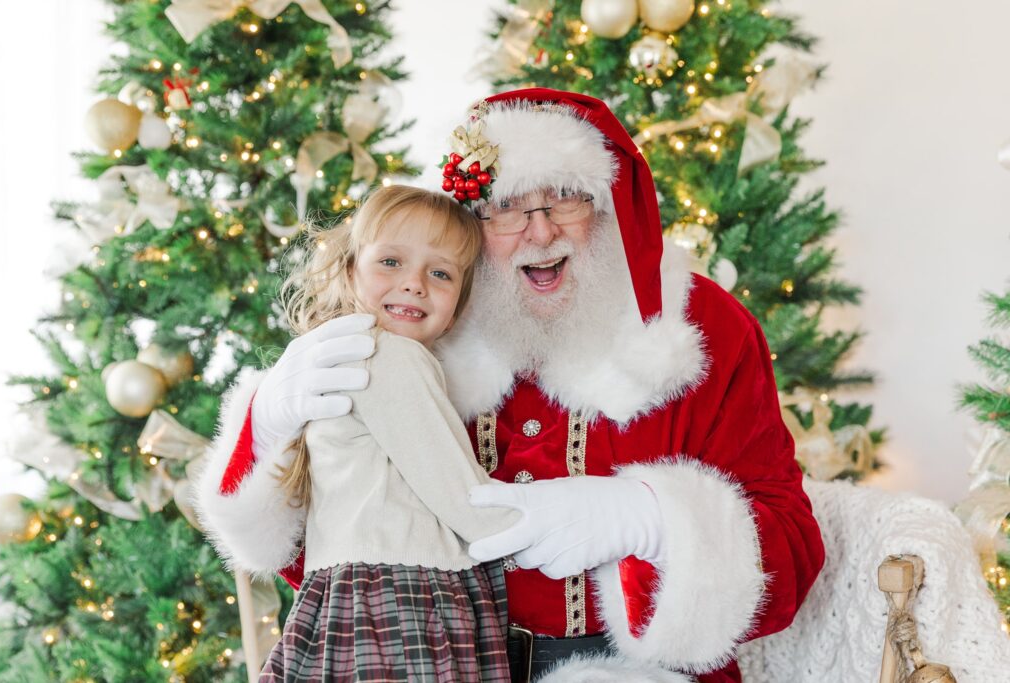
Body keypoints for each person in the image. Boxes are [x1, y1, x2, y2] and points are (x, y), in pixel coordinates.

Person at [197, 89, 826, 683]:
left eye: (565, 199)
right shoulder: (415, 325)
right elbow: (324, 560)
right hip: (436, 659)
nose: (542, 230)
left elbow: (793, 550)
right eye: (508, 207)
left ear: (606, 208)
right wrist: (270, 424)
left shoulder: (699, 324)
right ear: (471, 221)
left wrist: (654, 519)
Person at [195, 185, 522, 682]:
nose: (414, 284)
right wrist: (540, 526)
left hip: (347, 589)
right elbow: (461, 496)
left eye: (440, 272)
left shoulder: (353, 350)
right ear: (350, 269)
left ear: (460, 299)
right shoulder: (392, 355)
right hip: (403, 594)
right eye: (391, 261)